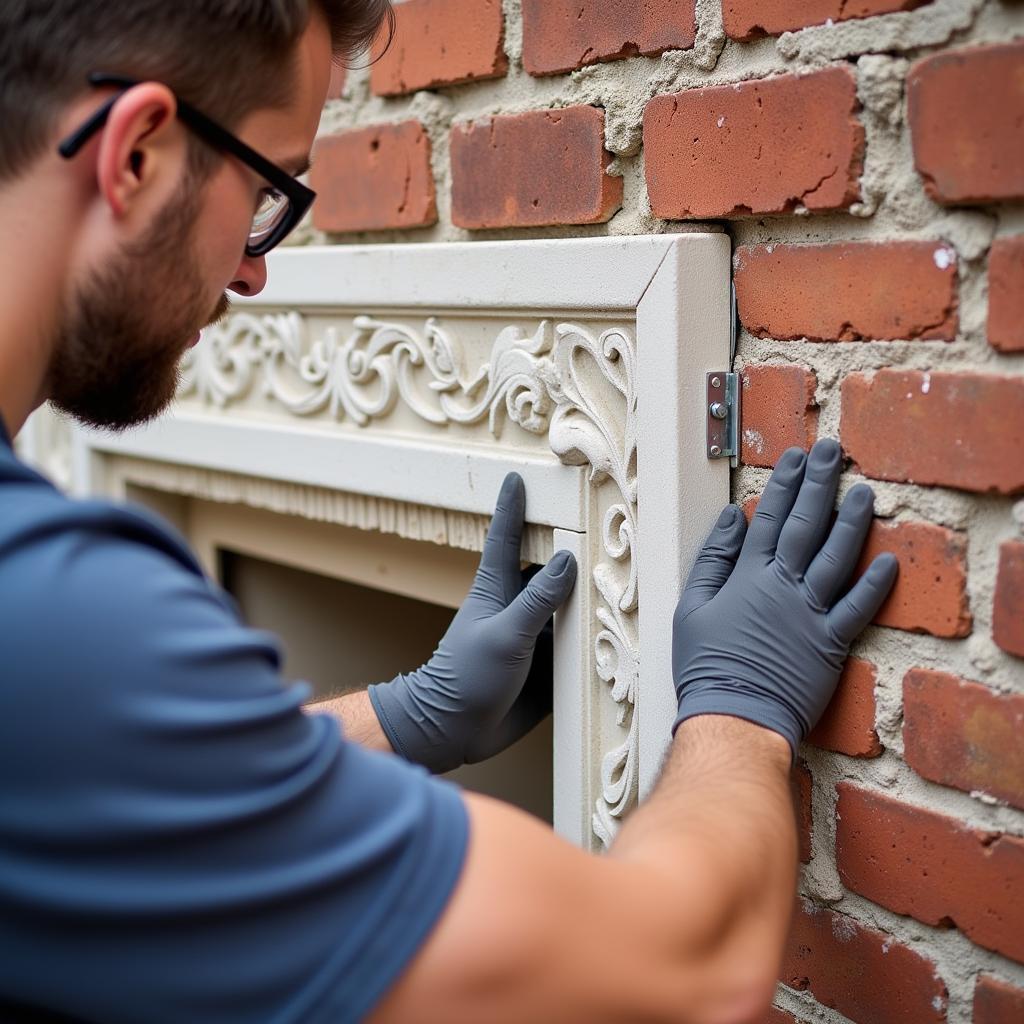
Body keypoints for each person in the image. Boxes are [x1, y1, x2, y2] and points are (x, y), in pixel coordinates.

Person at [0, 2, 899, 1021]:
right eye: (263, 189)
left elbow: (98, 789)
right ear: (135, 155)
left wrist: (401, 719)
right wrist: (739, 711)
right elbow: (684, 973)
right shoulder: (51, 616)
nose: (253, 269)